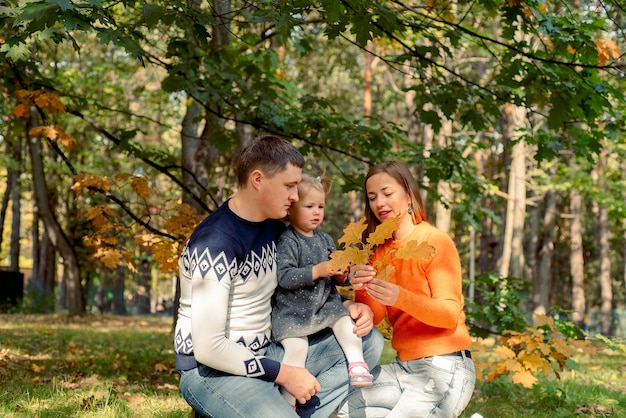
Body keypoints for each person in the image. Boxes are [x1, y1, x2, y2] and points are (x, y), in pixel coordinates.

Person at [173, 135, 384, 418]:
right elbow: (209, 349)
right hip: (214, 371)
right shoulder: (215, 243)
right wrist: (285, 374)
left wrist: (343, 307)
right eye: (289, 186)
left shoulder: (275, 230)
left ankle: (290, 409)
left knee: (367, 340)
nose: (296, 196)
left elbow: (291, 292)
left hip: (269, 351)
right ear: (258, 179)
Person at [336, 160, 475, 418]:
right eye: (373, 197)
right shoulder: (377, 250)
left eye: (388, 193)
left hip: (445, 367)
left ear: (408, 194)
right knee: (337, 407)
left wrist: (401, 297)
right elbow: (373, 316)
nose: (379, 203)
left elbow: (448, 315)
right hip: (403, 369)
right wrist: (361, 286)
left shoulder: (435, 241)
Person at [272, 174, 373, 409]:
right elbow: (284, 277)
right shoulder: (288, 241)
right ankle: (288, 403)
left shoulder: (325, 239)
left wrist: (340, 274)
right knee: (298, 350)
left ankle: (357, 364)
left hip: (323, 306)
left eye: (321, 206)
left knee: (346, 323)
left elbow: (336, 276)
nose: (317, 212)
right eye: (309, 207)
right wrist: (317, 270)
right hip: (293, 312)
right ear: (290, 210)